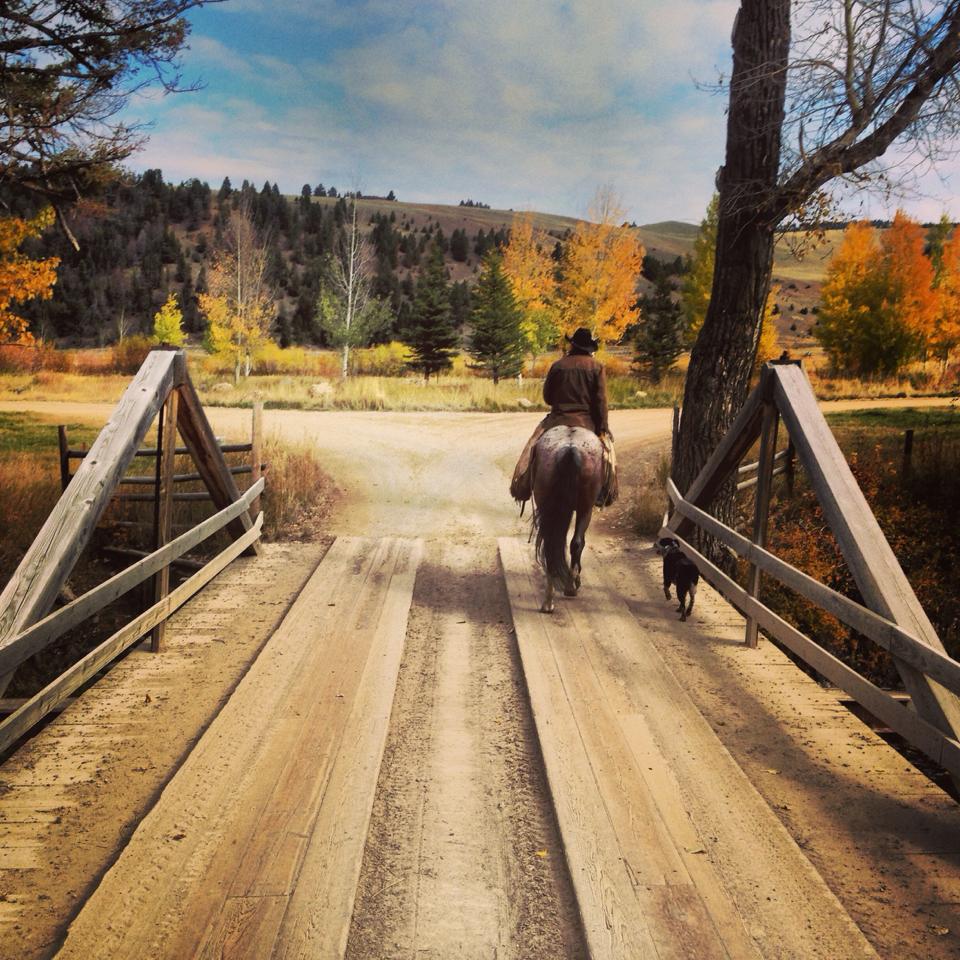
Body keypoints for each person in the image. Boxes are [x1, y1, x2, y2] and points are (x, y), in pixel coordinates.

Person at [510, 327, 618, 507]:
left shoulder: (558, 365)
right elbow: (601, 401)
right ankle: (604, 491)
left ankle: (523, 485)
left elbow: (548, 397)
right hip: (587, 421)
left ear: (573, 345)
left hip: (557, 420)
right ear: (589, 349)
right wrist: (603, 427)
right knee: (608, 454)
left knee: (533, 446)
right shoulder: (597, 367)